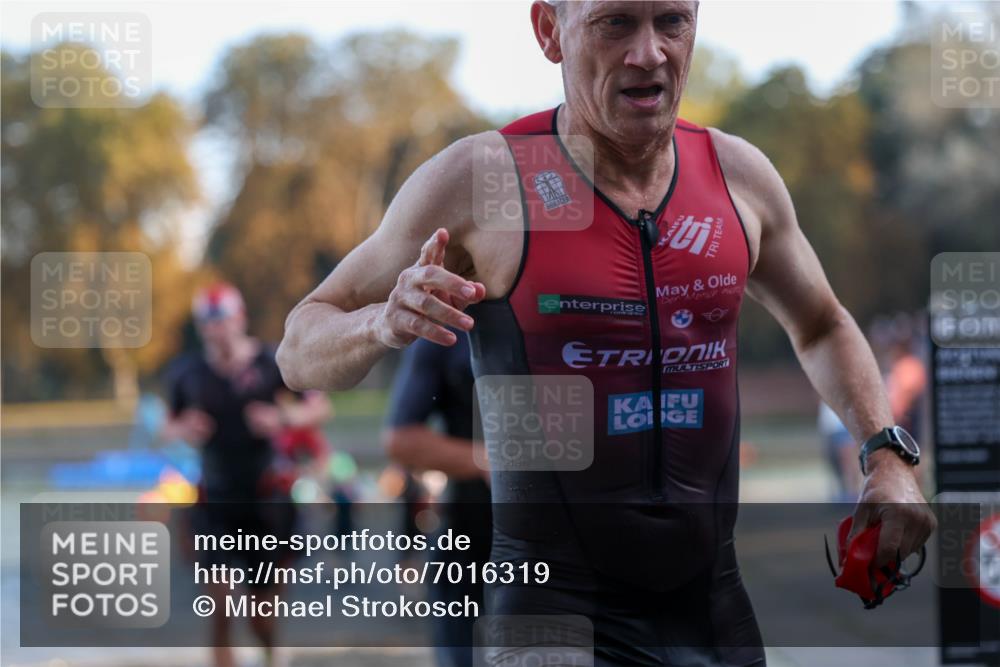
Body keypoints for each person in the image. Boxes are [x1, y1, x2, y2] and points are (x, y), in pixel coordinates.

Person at [276, 2, 937, 664]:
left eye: (671, 21)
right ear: (548, 30)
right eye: (615, 22)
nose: (648, 52)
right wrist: (380, 322)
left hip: (713, 610)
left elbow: (822, 324)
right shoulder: (489, 180)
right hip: (555, 612)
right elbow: (300, 345)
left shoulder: (738, 178)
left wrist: (887, 456)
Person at [162, 282, 331, 667]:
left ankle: (272, 655)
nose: (216, 330)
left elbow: (320, 408)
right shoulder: (187, 373)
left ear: (240, 318)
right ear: (199, 326)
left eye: (222, 320)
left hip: (266, 502)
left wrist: (282, 419)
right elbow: (167, 425)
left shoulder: (272, 360)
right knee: (219, 607)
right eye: (207, 322)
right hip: (215, 500)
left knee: (260, 616)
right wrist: (183, 428)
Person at [382, 333, 492, 667]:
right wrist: (493, 461)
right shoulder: (447, 331)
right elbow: (400, 439)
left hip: (566, 541)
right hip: (471, 529)